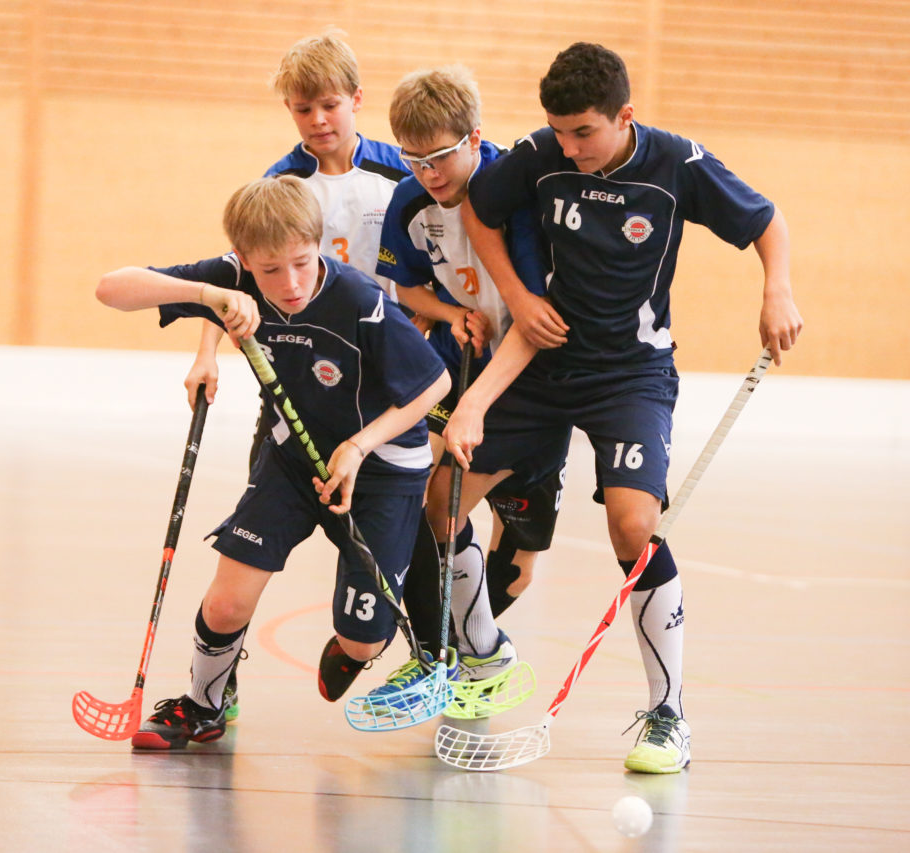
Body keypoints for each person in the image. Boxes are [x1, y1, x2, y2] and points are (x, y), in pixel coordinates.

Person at [441, 42, 803, 773]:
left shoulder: (677, 166)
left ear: (624, 117)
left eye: (584, 133)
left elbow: (767, 222)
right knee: (441, 499)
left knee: (635, 525)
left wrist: (778, 290)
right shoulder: (543, 153)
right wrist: (518, 297)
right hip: (542, 361)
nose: (568, 148)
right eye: (559, 132)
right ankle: (482, 656)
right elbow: (480, 212)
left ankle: (668, 715)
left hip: (629, 373)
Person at [95, 176, 450, 749]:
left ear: (320, 244)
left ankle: (359, 640)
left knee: (363, 638)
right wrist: (214, 297)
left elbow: (435, 383)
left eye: (302, 263)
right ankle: (204, 703)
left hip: (380, 468)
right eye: (268, 271)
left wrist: (358, 447)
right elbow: (111, 289)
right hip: (293, 458)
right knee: (229, 597)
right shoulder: (234, 280)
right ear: (244, 261)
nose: (288, 284)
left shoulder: (361, 301)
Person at [351, 65, 569, 709]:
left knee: (516, 570)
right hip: (464, 367)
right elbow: (408, 283)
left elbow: (535, 318)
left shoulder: (517, 197)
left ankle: (466, 648)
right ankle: (460, 657)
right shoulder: (412, 201)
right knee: (433, 499)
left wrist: (479, 399)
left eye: (442, 157)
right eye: (415, 161)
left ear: (476, 136)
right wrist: (451, 315)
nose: (429, 174)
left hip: (535, 382)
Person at [183, 31, 408, 414]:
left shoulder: (402, 172)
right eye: (303, 110)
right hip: (307, 353)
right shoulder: (280, 184)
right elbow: (235, 271)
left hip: (389, 346)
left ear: (356, 98)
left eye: (330, 105)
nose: (318, 120)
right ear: (289, 107)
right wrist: (207, 354)